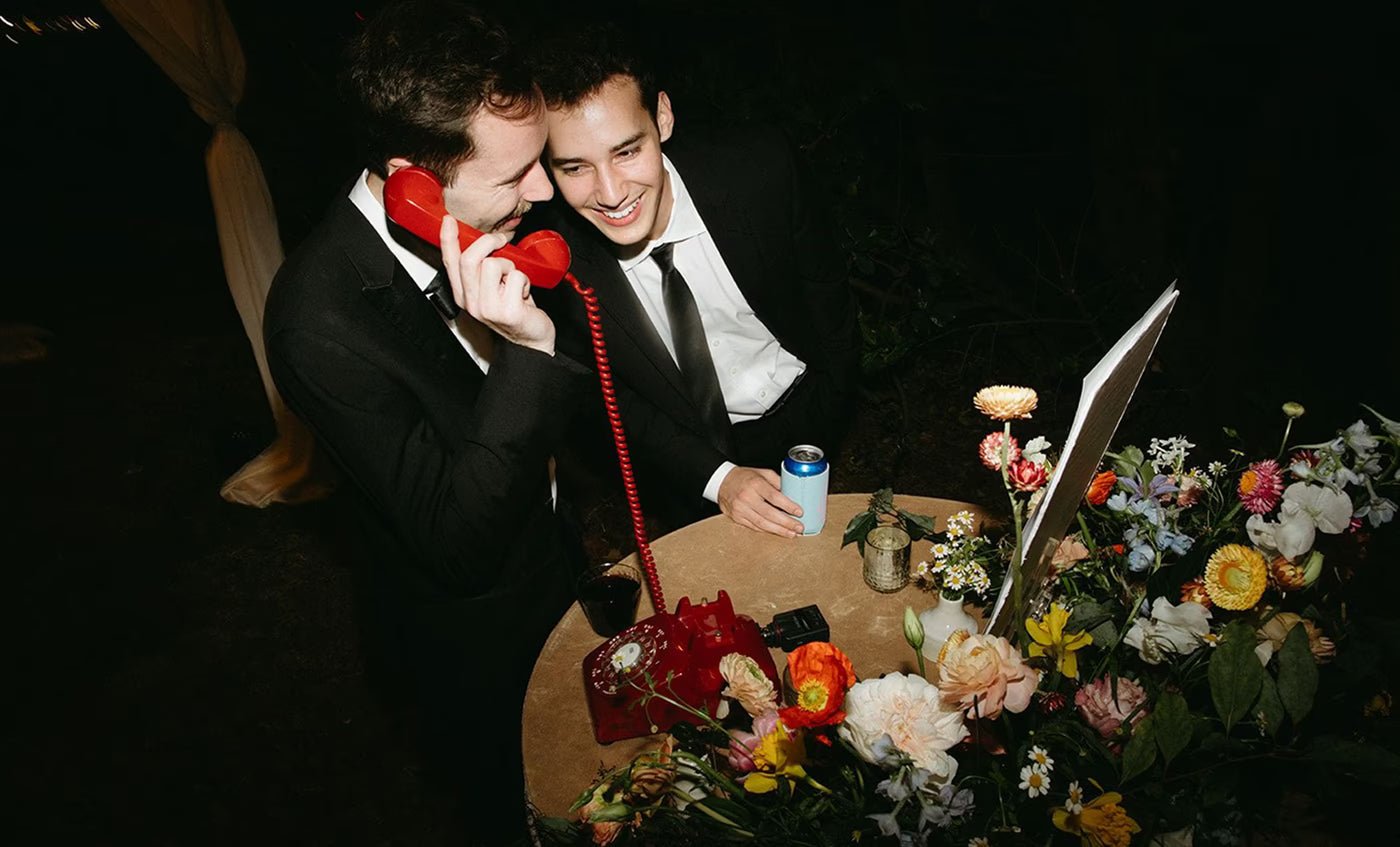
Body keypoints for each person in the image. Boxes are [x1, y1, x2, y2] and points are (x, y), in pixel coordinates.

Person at [262, 2, 592, 842]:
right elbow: (455, 540)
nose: (545, 190)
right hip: (474, 643)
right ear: (413, 180)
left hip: (557, 572)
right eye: (516, 173)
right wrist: (530, 351)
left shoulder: (501, 222)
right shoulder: (317, 321)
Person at [529, 24, 860, 538]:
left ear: (661, 117)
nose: (611, 193)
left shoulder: (761, 170)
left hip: (809, 415)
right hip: (689, 459)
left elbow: (829, 300)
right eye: (575, 168)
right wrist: (718, 478)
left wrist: (828, 416)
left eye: (626, 151)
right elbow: (607, 399)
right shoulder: (555, 264)